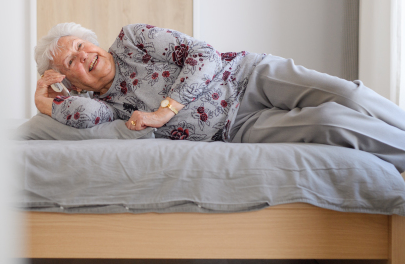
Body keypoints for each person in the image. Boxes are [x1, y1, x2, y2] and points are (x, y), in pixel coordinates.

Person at [34, 22, 405, 173]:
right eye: (71, 60)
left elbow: (204, 55)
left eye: (82, 45)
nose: (84, 55)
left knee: (347, 94)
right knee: (330, 121)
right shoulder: (105, 107)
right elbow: (80, 117)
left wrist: (166, 110)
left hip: (249, 74)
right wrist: (45, 101)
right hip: (235, 125)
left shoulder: (133, 39)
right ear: (73, 83)